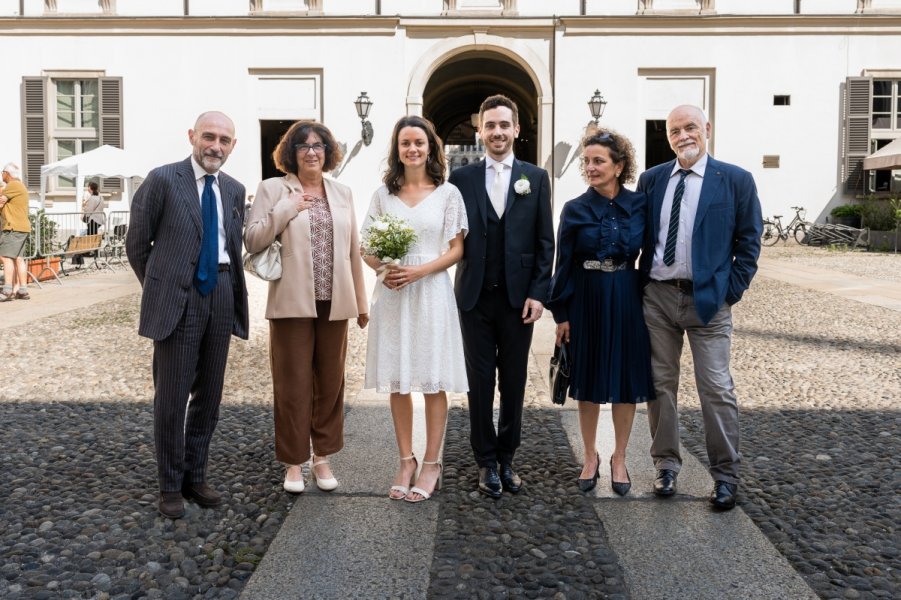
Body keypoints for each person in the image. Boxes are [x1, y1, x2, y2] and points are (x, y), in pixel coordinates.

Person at [638, 104, 762, 511]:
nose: (683, 136)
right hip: (658, 296)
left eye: (690, 127)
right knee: (660, 386)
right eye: (675, 131)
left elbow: (749, 241)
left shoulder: (735, 180)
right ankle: (666, 465)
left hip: (710, 299)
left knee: (716, 388)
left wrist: (732, 291)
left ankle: (726, 475)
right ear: (668, 136)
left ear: (707, 128)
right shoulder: (652, 180)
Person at [126, 111, 249, 519]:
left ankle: (195, 474)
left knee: (209, 395)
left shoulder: (233, 189)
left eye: (225, 140)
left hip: (221, 293)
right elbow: (137, 245)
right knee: (173, 395)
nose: (216, 145)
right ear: (192, 136)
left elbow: (232, 243)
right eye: (209, 136)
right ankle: (168, 483)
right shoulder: (163, 179)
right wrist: (164, 287)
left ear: (233, 146)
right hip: (180, 297)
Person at [244, 120, 369, 495]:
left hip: (336, 302)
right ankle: (294, 462)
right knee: (293, 384)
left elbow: (352, 251)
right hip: (291, 304)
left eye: (318, 145)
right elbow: (252, 240)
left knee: (330, 384)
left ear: (328, 152)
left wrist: (361, 303)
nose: (311, 151)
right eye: (303, 146)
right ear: (291, 153)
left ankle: (323, 457)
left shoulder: (342, 192)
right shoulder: (272, 188)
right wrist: (286, 208)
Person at [449, 95, 554, 499]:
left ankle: (507, 457)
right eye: (489, 125)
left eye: (503, 125)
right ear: (480, 131)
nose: (497, 132)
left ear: (516, 130)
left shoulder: (536, 178)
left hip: (518, 301)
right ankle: (485, 461)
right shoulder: (462, 180)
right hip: (473, 297)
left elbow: (546, 242)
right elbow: (451, 234)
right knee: (478, 382)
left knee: (513, 381)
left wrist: (538, 294)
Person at [362, 115, 468, 503]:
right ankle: (405, 459)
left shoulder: (448, 194)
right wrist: (384, 271)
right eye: (405, 143)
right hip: (394, 294)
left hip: (432, 292)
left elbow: (457, 250)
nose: (412, 149)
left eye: (419, 143)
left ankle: (431, 463)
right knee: (399, 379)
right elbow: (366, 247)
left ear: (430, 147)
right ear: (397, 149)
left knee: (433, 379)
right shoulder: (382, 195)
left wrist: (420, 270)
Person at [547, 129, 654, 495]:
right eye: (586, 161)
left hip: (627, 296)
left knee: (626, 382)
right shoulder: (574, 209)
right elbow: (562, 265)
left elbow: (651, 257)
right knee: (589, 381)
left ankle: (619, 458)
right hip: (586, 298)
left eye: (598, 161)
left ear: (619, 165)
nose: (590, 168)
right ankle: (590, 456)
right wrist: (561, 313)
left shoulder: (641, 205)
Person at [0, 163, 32, 301]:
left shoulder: (13, 185)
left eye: (2, 172)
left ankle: (7, 290)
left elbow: (1, 201)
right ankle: (22, 290)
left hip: (13, 227)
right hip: (22, 227)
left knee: (6, 257)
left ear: (7, 173)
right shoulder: (19, 186)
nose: (2, 175)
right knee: (18, 259)